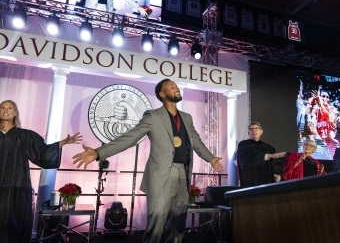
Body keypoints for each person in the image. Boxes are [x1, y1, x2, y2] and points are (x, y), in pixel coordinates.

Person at [72, 78, 224, 243]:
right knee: (155, 229)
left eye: (176, 85)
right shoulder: (153, 116)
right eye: (171, 86)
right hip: (160, 177)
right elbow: (129, 138)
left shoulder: (186, 118)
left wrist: (211, 158)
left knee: (178, 229)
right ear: (162, 94)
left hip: (183, 175)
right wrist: (99, 152)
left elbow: (197, 141)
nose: (176, 87)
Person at [0, 100, 83, 243]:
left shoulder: (25, 135)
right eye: (2, 108)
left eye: (10, 108)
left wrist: (63, 142)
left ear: (15, 113)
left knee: (15, 221)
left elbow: (43, 152)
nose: (5, 110)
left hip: (17, 186)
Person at [237, 122, 286, 188]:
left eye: (256, 128)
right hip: (251, 181)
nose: (254, 130)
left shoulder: (268, 147)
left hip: (266, 181)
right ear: (248, 133)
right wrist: (268, 156)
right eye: (251, 129)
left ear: (261, 132)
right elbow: (246, 161)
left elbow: (275, 163)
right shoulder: (244, 145)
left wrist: (277, 174)